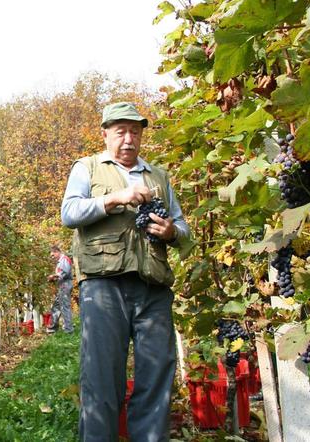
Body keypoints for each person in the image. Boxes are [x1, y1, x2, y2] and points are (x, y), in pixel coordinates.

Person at [61, 102, 190, 441]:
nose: (129, 139)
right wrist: (117, 197)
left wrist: (171, 232)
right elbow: (70, 212)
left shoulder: (158, 176)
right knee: (101, 379)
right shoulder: (87, 168)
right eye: (121, 132)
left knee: (157, 377)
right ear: (105, 135)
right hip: (103, 287)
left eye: (135, 131)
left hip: (153, 289)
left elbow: (183, 227)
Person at [46, 245, 73, 333]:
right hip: (62, 285)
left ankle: (68, 329)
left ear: (57, 252)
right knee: (56, 307)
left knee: (65, 307)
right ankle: (53, 328)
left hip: (65, 285)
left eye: (53, 255)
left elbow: (64, 273)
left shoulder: (64, 259)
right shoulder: (60, 261)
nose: (52, 257)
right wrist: (53, 279)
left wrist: (53, 276)